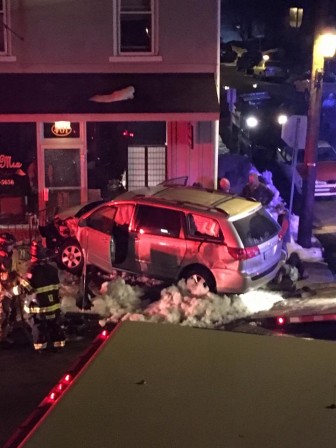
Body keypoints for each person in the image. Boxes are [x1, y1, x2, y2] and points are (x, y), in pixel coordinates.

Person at [19, 241, 65, 353]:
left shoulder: (32, 270)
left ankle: (41, 348)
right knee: (54, 324)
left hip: (40, 307)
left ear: (33, 256)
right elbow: (56, 286)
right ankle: (58, 345)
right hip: (53, 305)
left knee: (39, 326)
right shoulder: (52, 269)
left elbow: (27, 288)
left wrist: (16, 289)